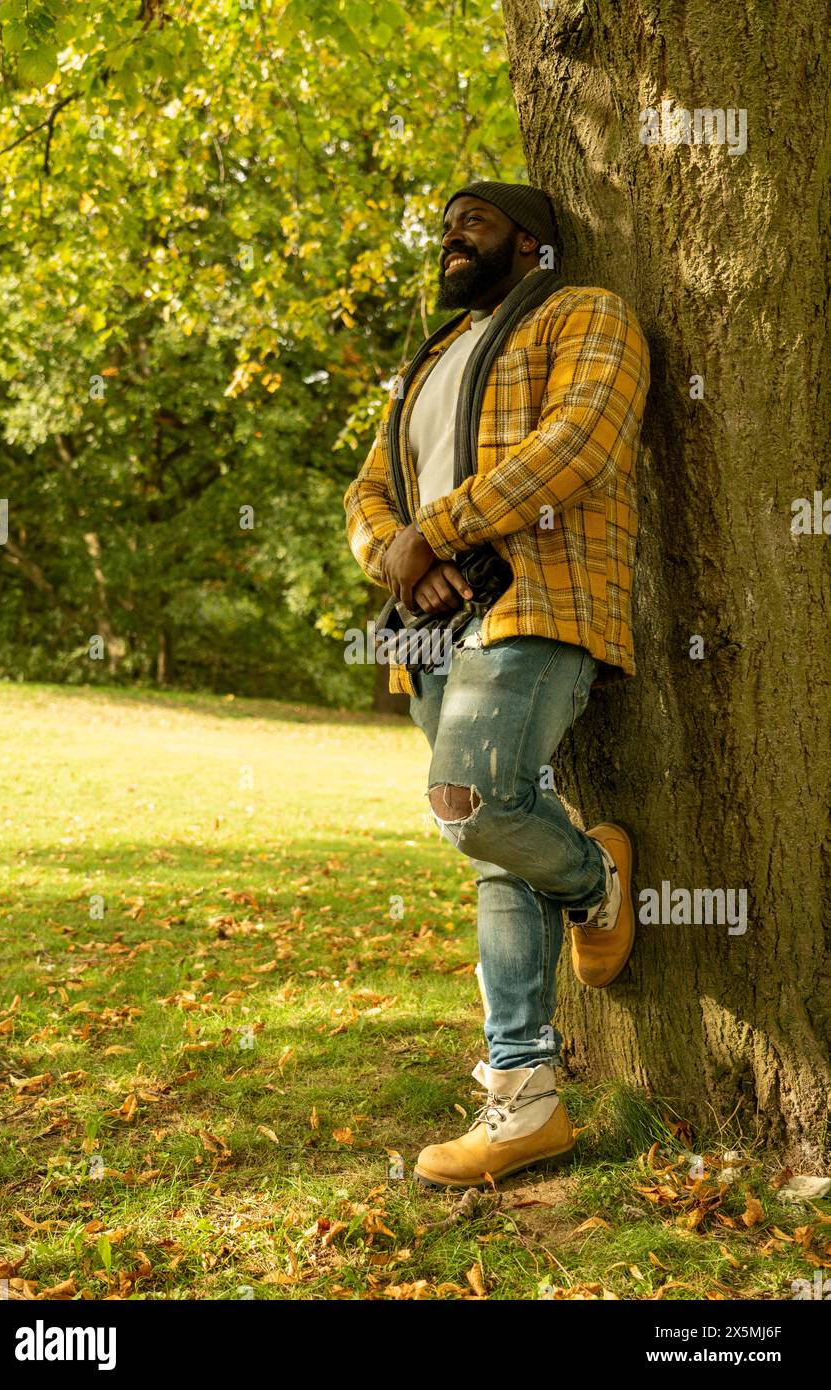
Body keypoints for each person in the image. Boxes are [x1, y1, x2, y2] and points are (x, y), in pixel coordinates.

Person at [343, 180, 651, 1189]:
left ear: (529, 241)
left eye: (470, 221)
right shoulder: (426, 363)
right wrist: (399, 550)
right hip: (429, 628)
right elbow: (366, 492)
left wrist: (446, 526)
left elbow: (580, 441)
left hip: (538, 599)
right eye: (443, 224)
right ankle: (524, 1102)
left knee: (468, 804)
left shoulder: (583, 313)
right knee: (490, 848)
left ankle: (596, 881)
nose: (448, 235)